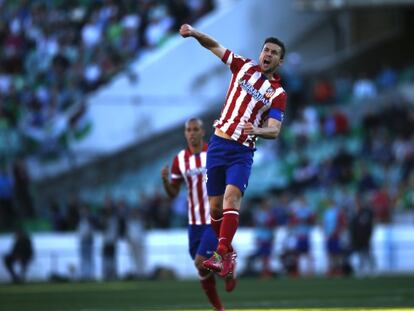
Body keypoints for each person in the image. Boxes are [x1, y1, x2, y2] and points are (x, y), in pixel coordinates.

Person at [179, 24, 287, 277]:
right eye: (266, 50)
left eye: (273, 53)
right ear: (260, 53)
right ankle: (227, 253)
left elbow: (275, 130)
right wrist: (195, 33)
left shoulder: (277, 94)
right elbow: (214, 46)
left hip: (241, 152)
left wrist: (256, 131)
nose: (267, 55)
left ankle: (220, 253)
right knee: (215, 208)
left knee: (231, 199)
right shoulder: (243, 65)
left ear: (280, 61)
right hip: (218, 145)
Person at [161, 118, 235, 311]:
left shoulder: (213, 152)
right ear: (185, 133)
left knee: (200, 261)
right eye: (189, 130)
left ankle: (226, 261)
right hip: (194, 223)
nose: (192, 133)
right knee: (201, 269)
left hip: (213, 218)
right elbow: (174, 192)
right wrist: (165, 182)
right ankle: (220, 302)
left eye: (196, 129)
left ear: (203, 132)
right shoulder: (180, 159)